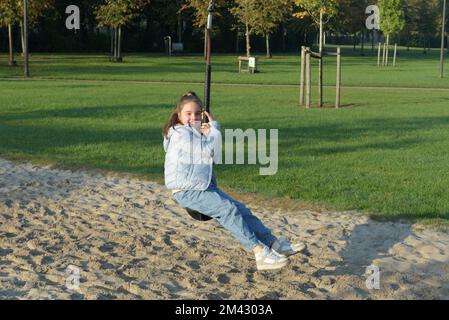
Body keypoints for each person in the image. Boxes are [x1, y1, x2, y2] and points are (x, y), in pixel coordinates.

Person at [162, 92, 306, 271]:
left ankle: (274, 244)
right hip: (187, 190)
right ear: (179, 116)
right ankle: (259, 253)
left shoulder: (193, 133)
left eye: (197, 113)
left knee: (241, 210)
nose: (193, 117)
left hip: (203, 186)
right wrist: (213, 129)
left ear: (203, 114)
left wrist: (206, 134)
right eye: (188, 114)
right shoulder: (180, 133)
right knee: (228, 210)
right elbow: (208, 154)